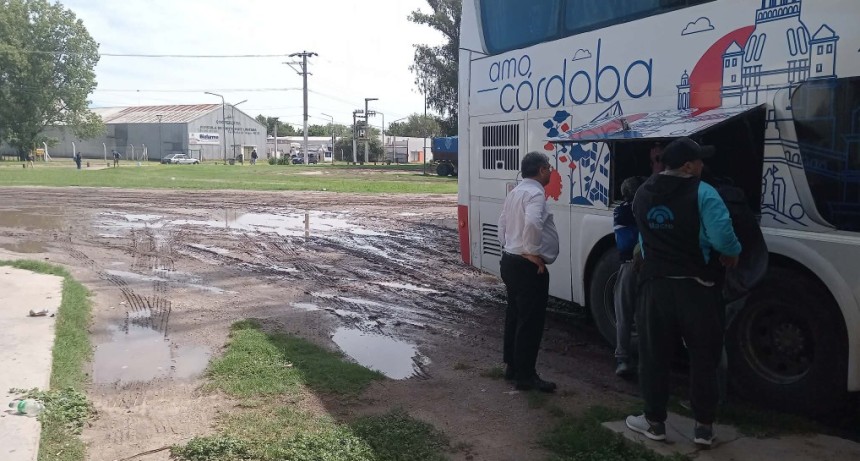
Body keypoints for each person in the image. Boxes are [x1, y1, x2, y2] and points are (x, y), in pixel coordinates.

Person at [626, 137, 741, 448]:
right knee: (704, 357)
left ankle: (654, 423)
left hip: (655, 288)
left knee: (653, 356)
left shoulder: (643, 192)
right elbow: (723, 239)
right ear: (688, 165)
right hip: (698, 289)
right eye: (699, 160)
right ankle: (703, 429)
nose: (703, 165)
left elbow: (644, 240)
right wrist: (733, 253)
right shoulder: (704, 192)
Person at [498, 151, 559, 393]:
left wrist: (510, 246)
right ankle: (526, 376)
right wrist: (532, 252)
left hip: (510, 261)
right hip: (526, 266)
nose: (552, 171)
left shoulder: (515, 192)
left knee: (515, 315)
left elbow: (502, 223)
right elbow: (533, 223)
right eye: (549, 167)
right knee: (530, 322)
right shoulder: (535, 194)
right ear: (542, 170)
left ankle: (512, 367)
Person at [612, 175, 647, 378]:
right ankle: (646, 360)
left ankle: (623, 360)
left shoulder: (620, 211)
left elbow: (623, 241)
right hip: (647, 267)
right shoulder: (646, 209)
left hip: (627, 267)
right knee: (645, 316)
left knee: (624, 315)